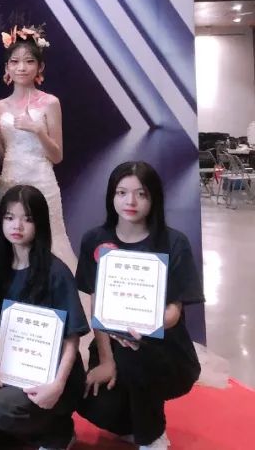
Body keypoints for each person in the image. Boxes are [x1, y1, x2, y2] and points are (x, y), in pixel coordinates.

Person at [75, 162, 203, 449]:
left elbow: (174, 312)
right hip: (112, 342)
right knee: (91, 401)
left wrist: (145, 326)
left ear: (154, 197)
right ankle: (132, 424)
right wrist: (106, 359)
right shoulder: (95, 239)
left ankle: (152, 436)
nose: (130, 201)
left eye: (141, 194)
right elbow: (97, 303)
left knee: (135, 357)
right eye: (121, 192)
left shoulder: (174, 242)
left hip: (164, 346)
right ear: (111, 196)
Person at [0, 186, 88, 449]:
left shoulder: (56, 272)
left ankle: (58, 432)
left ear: (39, 224)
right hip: (12, 371)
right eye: (9, 217)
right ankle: (31, 429)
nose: (17, 226)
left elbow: (72, 338)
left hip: (53, 376)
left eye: (27, 219)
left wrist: (58, 384)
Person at [0, 25, 76, 271]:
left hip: (42, 179)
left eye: (29, 61)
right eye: (15, 62)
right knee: (15, 240)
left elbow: (57, 156)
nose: (21, 67)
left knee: (51, 238)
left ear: (40, 67)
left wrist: (38, 130)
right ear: (7, 68)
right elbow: (2, 154)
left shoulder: (50, 102)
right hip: (10, 180)